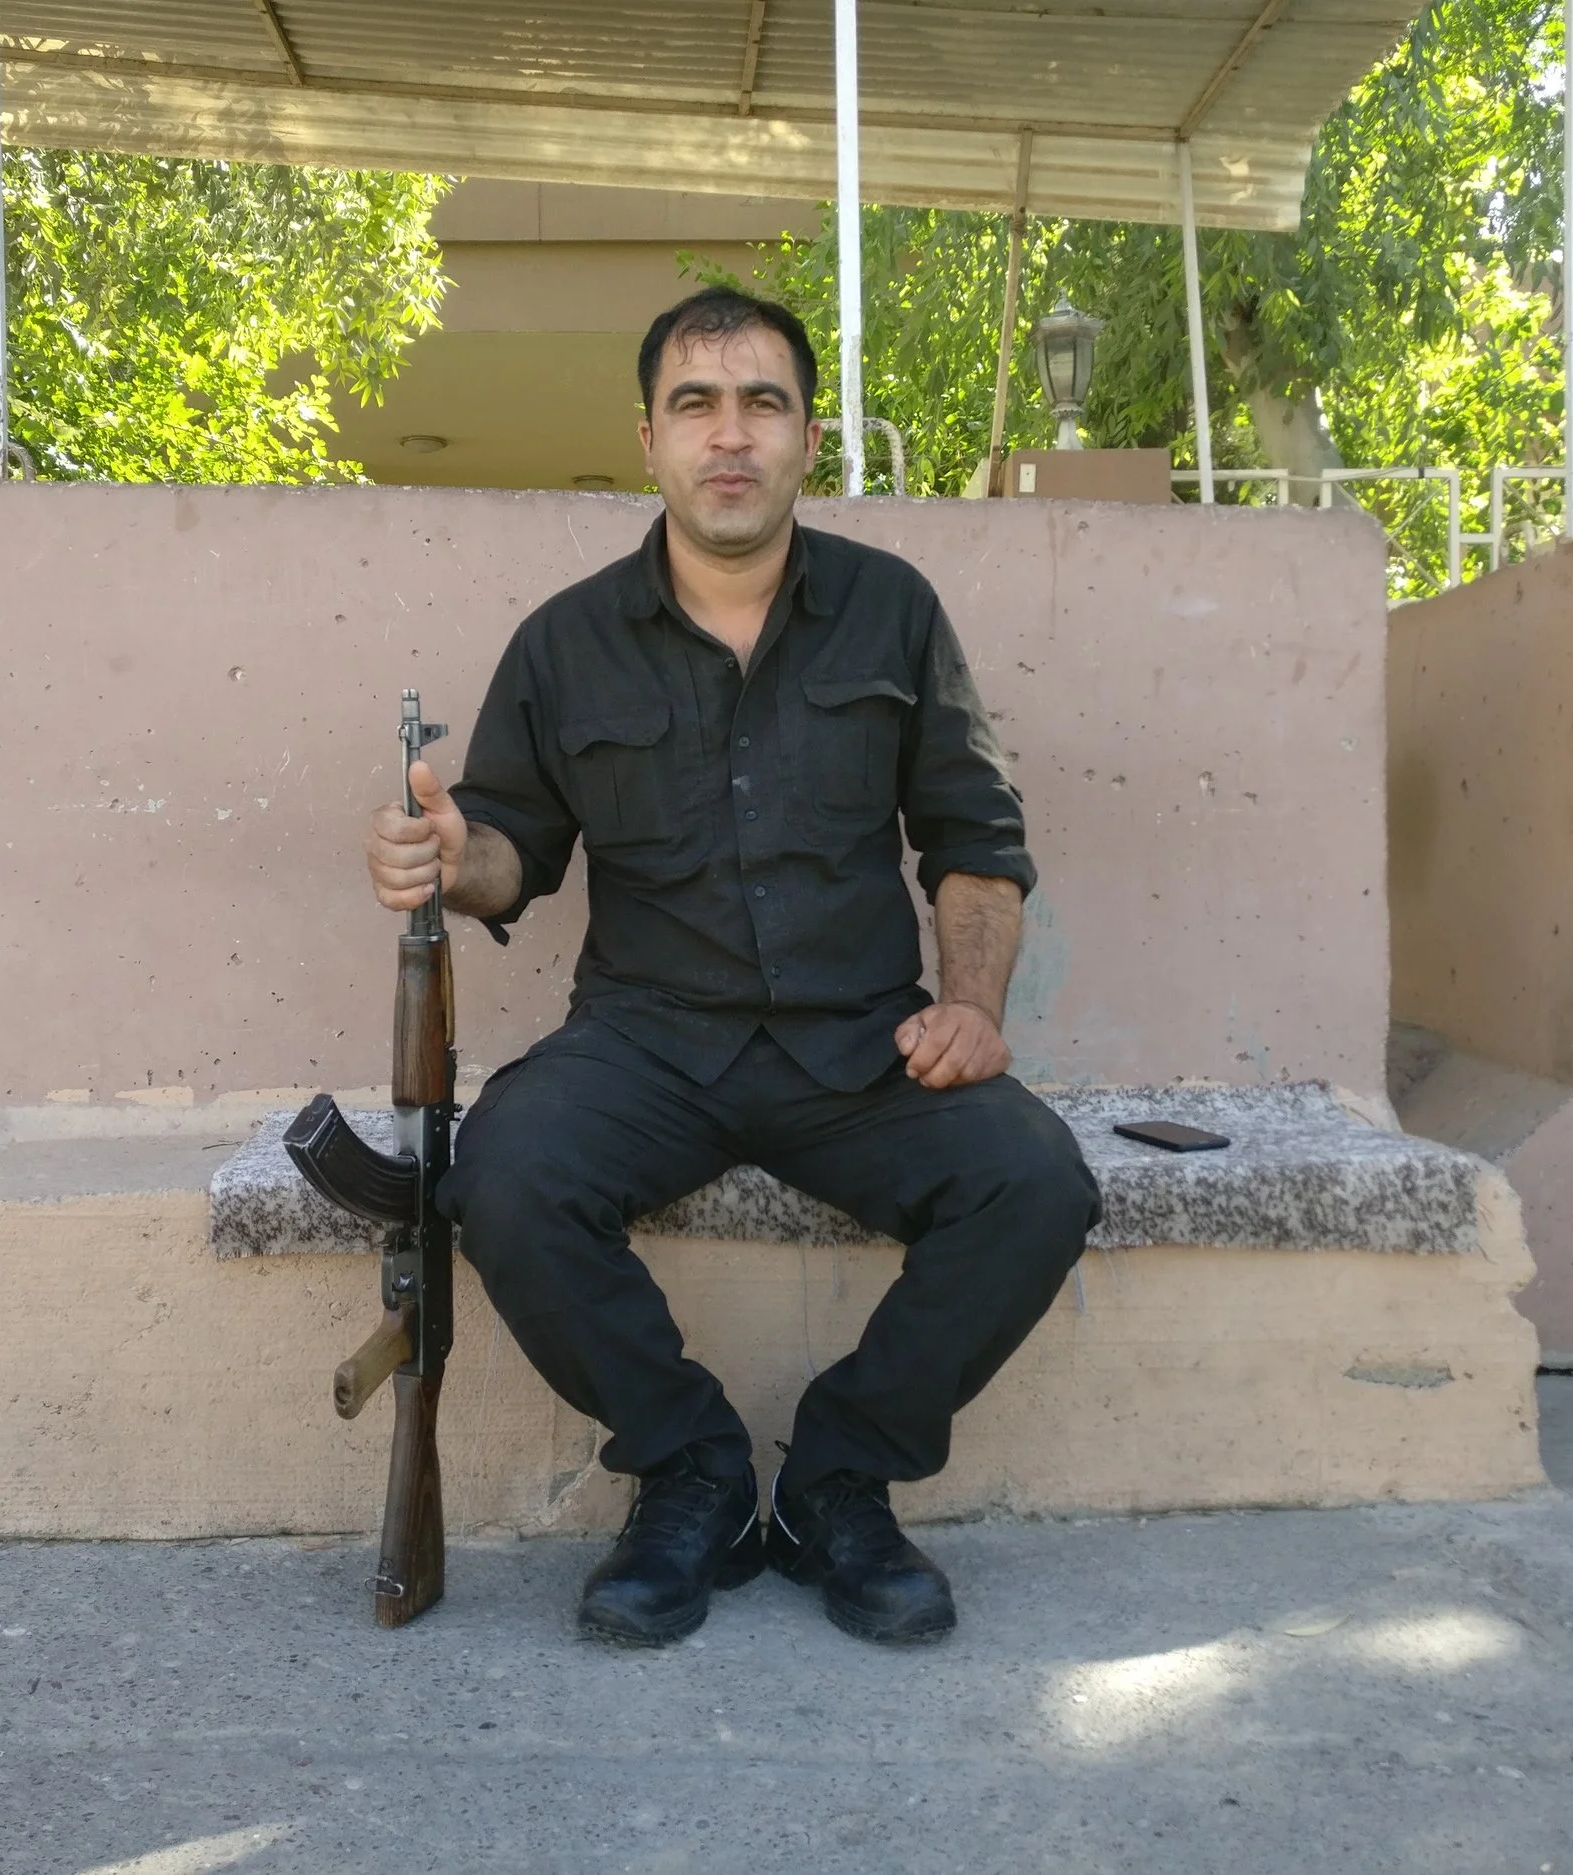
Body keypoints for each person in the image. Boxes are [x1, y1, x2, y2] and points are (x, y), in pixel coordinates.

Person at [363, 285, 1099, 1648]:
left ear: (808, 436)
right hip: (648, 1042)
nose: (730, 435)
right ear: (647, 438)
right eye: (696, 404)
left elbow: (974, 838)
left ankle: (839, 1478)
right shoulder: (567, 641)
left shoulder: (895, 612)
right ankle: (690, 1465)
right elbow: (511, 851)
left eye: (762, 401)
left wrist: (973, 1010)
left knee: (1035, 1180)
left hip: (858, 1045)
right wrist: (448, 859)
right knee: (507, 1176)